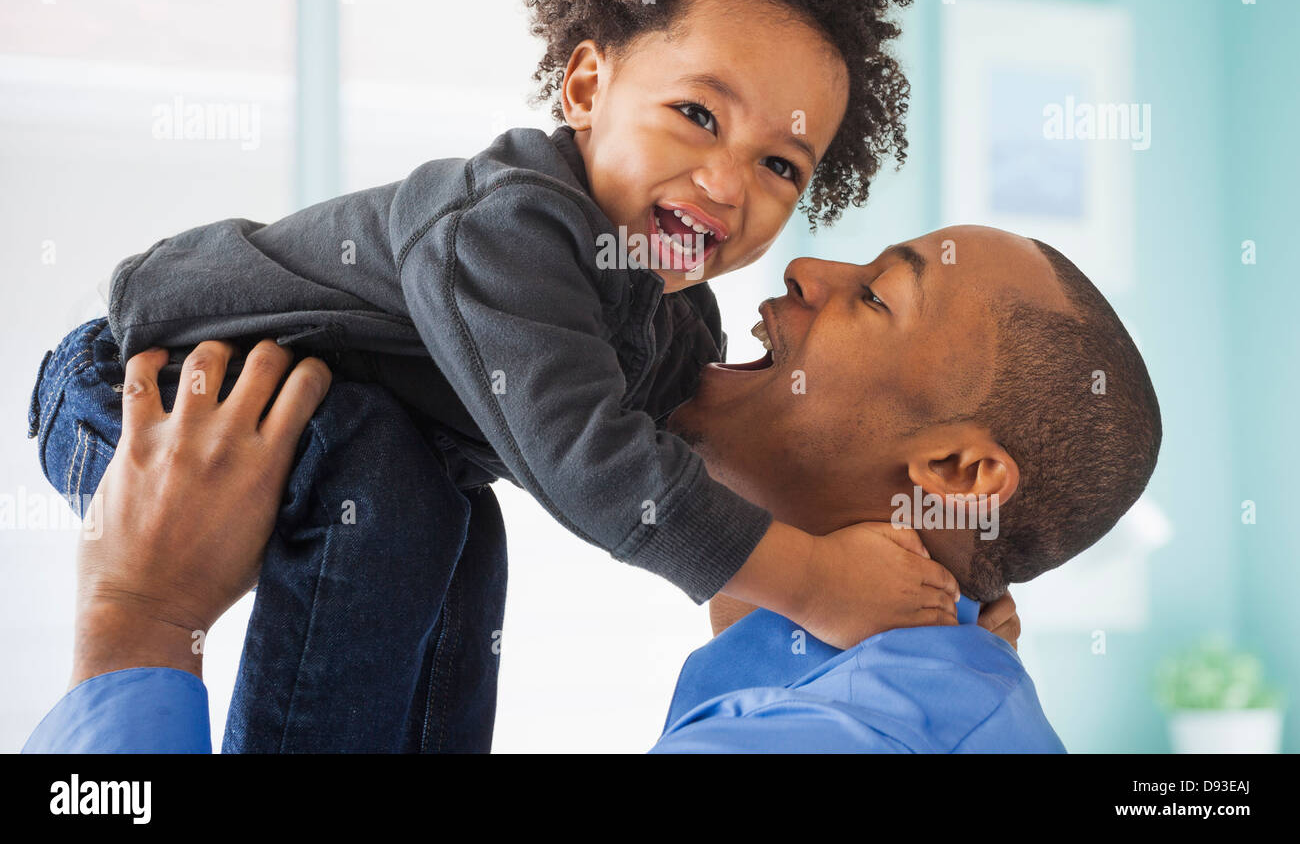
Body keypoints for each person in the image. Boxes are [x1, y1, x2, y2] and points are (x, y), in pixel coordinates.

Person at [30, 0, 952, 752]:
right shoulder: (513, 226)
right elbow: (599, 473)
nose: (726, 182)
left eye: (780, 166)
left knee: (461, 535)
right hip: (147, 388)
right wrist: (818, 582)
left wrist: (933, 591)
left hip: (355, 436)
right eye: (697, 114)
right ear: (587, 89)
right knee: (391, 492)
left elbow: (716, 469)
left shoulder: (679, 324)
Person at [26, 225, 1161, 753]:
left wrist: (139, 621)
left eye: (873, 296)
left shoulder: (831, 735)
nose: (808, 268)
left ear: (956, 474)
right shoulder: (921, 692)